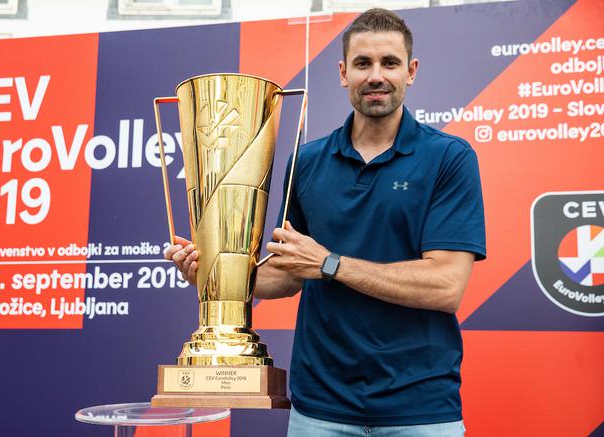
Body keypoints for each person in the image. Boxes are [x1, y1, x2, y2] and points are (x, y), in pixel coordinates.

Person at [165, 8, 485, 437]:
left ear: (410, 72)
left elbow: (446, 286)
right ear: (342, 72)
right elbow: (288, 270)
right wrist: (211, 274)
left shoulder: (449, 157)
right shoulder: (307, 160)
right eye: (362, 63)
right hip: (320, 410)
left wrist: (330, 264)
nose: (376, 76)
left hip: (421, 409)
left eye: (389, 63)